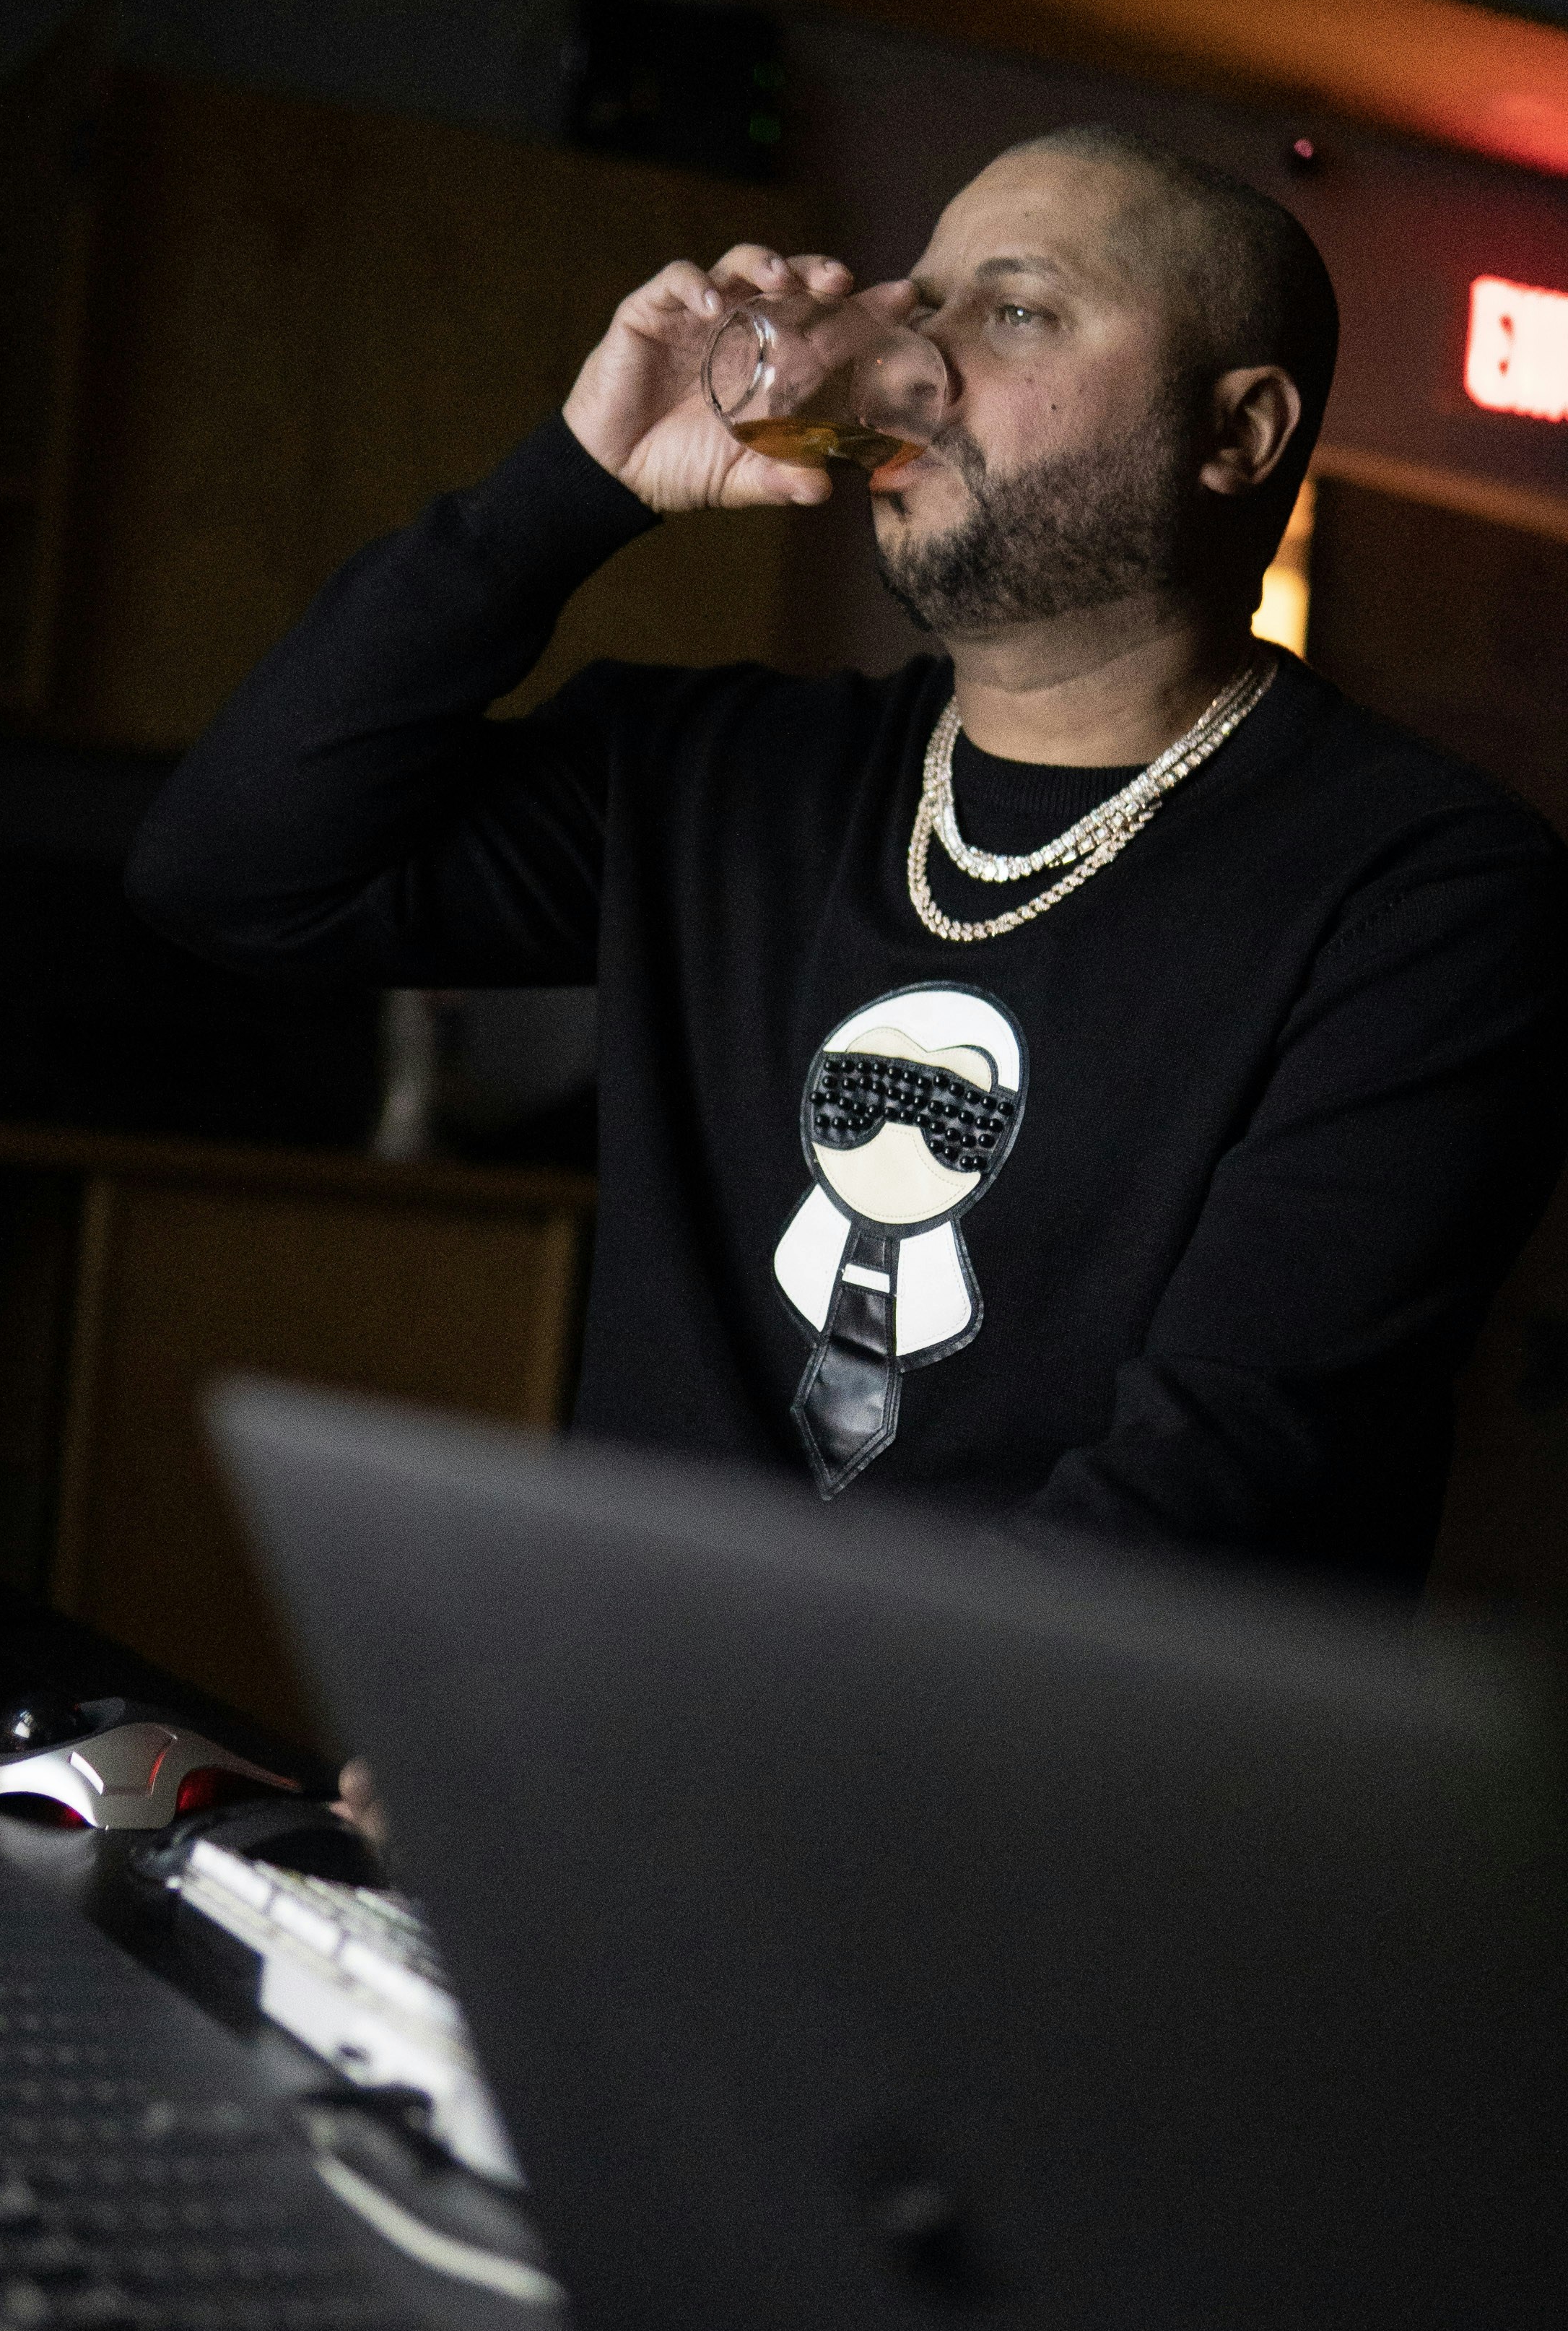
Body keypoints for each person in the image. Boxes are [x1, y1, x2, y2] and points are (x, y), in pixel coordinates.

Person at [127, 126, 1568, 1590]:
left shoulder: (1427, 897)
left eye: (1013, 310)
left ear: (1236, 433)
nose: (918, 362)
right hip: (628, 1753)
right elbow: (236, 874)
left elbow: (1206, 1501)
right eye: (917, 303)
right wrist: (573, 483)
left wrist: (640, 1749)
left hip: (1055, 1802)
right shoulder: (719, 776)